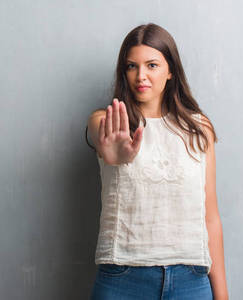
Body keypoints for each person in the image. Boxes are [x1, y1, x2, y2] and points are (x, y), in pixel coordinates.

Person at [85, 23, 229, 299]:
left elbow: (210, 218)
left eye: (152, 65)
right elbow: (97, 131)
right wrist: (113, 152)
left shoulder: (199, 129)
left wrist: (222, 295)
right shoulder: (109, 121)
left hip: (191, 280)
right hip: (123, 280)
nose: (141, 75)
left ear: (170, 70)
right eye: (131, 66)